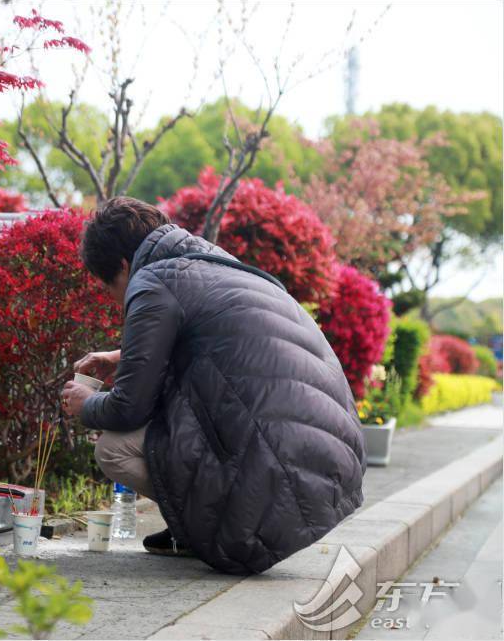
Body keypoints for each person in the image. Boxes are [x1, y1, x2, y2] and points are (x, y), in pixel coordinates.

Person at [61, 196, 366, 574]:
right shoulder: (215, 262)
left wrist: (86, 402)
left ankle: (207, 527)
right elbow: (215, 343)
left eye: (110, 287)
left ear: (123, 266)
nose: (114, 298)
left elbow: (128, 408)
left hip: (277, 480)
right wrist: (119, 357)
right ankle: (188, 527)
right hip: (335, 464)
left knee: (112, 448)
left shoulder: (150, 281)